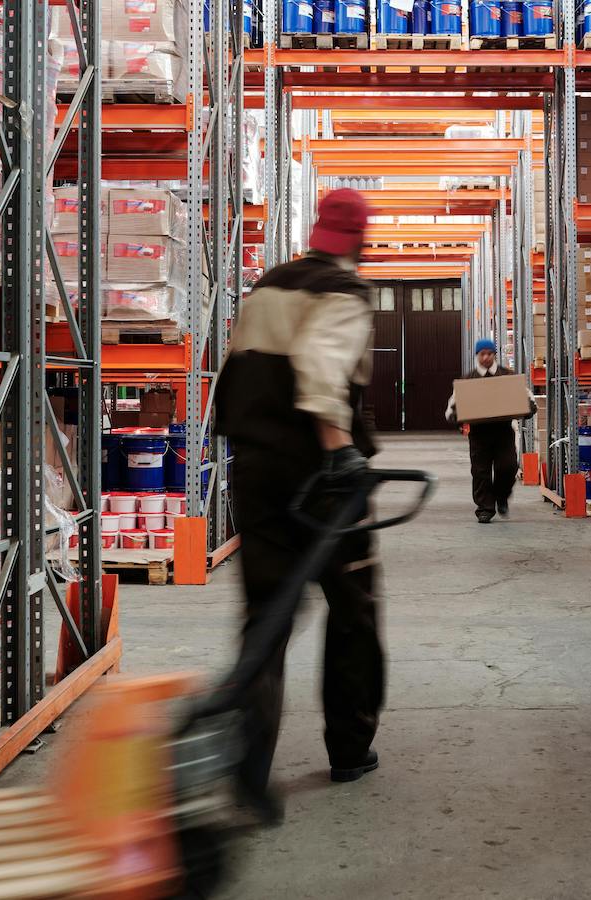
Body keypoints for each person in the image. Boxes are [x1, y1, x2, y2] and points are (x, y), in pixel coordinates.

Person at [213, 189, 384, 825]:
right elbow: (320, 370)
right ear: (360, 242)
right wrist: (339, 452)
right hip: (320, 479)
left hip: (256, 471)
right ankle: (350, 747)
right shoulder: (345, 293)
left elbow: (241, 369)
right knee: (354, 610)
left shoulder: (267, 286)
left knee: (266, 617)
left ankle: (249, 768)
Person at [445, 338, 535, 523]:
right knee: (481, 472)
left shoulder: (508, 376)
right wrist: (455, 416)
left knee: (508, 467)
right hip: (479, 434)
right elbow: (452, 407)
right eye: (482, 354)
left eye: (489, 353)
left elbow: (528, 400)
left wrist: (527, 408)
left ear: (494, 354)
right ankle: (485, 508)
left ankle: (501, 496)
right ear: (477, 356)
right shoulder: (467, 381)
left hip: (503, 432)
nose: (485, 357)